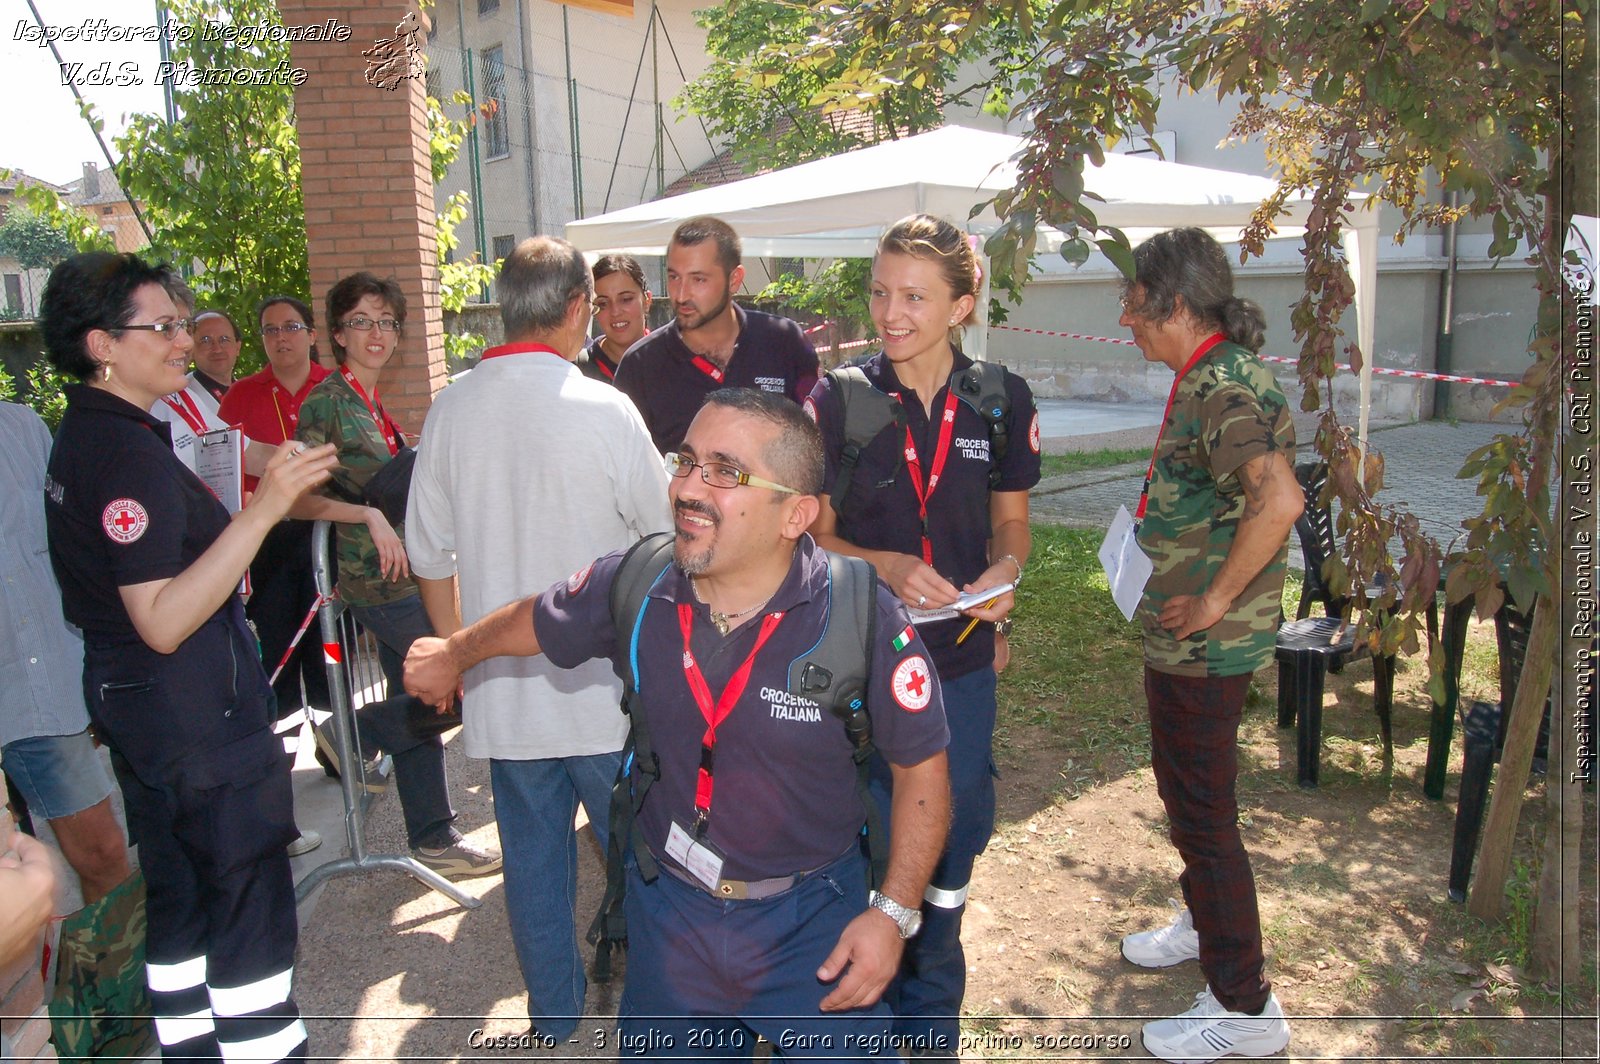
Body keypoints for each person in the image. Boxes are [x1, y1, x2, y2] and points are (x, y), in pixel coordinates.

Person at [405, 389, 952, 1057]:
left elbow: (922, 771)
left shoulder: (859, 615)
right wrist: (454, 653)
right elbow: (534, 619)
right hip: (672, 917)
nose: (689, 488)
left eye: (725, 471)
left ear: (795, 515)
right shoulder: (639, 582)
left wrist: (892, 916)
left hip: (813, 924)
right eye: (686, 462)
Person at [40, 250, 338, 1062]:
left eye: (181, 323)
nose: (183, 340)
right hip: (193, 723)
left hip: (150, 719)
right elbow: (162, 618)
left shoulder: (102, 432)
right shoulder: (123, 451)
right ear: (102, 344)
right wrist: (268, 509)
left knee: (182, 907)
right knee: (245, 912)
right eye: (163, 327)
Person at [406, 235, 670, 1038]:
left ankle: (555, 1019)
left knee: (533, 866)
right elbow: (663, 537)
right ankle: (654, 1018)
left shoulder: (450, 408)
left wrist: (456, 655)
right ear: (576, 309)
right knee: (641, 864)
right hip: (600, 693)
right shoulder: (607, 407)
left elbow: (426, 552)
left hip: (506, 695)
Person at [803, 213, 1041, 1056]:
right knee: (865, 848)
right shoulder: (839, 398)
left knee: (950, 845)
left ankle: (931, 1023)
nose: (890, 312)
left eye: (914, 296)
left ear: (961, 306)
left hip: (960, 665)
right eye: (879, 291)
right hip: (859, 668)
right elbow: (810, 536)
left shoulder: (999, 399)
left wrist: (1005, 577)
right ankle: (862, 1024)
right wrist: (883, 566)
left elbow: (1011, 523)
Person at [1113, 227, 1300, 1064]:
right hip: (1192, 642)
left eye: (1136, 303)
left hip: (1207, 644)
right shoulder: (1210, 375)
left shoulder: (1222, 384)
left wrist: (1215, 598)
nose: (1126, 319)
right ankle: (1204, 920)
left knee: (1204, 812)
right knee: (1190, 797)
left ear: (1176, 306)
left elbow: (1280, 500)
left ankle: (1245, 1006)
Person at [296, 271, 500, 878]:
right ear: (337, 332)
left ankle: (433, 836)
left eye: (386, 322)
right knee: (458, 681)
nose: (377, 333)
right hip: (375, 585)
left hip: (405, 576)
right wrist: (364, 514)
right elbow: (296, 498)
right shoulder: (327, 402)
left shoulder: (369, 402)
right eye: (362, 321)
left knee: (417, 692)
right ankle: (354, 732)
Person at [1, 401, 132, 904]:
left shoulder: (21, 427)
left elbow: (72, 541)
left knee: (102, 854)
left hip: (44, 687)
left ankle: (113, 980)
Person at [614, 216, 820, 453]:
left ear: (734, 280)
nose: (681, 295)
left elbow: (817, 443)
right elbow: (624, 467)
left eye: (698, 279)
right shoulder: (639, 366)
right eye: (674, 277)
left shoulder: (784, 341)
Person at [577, 253, 653, 384]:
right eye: (603, 304)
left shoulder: (675, 363)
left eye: (625, 299)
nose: (615, 312)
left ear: (647, 301)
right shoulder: (577, 371)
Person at [190, 309, 243, 403]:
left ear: (237, 347)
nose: (217, 349)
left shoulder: (249, 393)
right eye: (206, 341)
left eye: (224, 339)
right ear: (191, 349)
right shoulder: (178, 398)